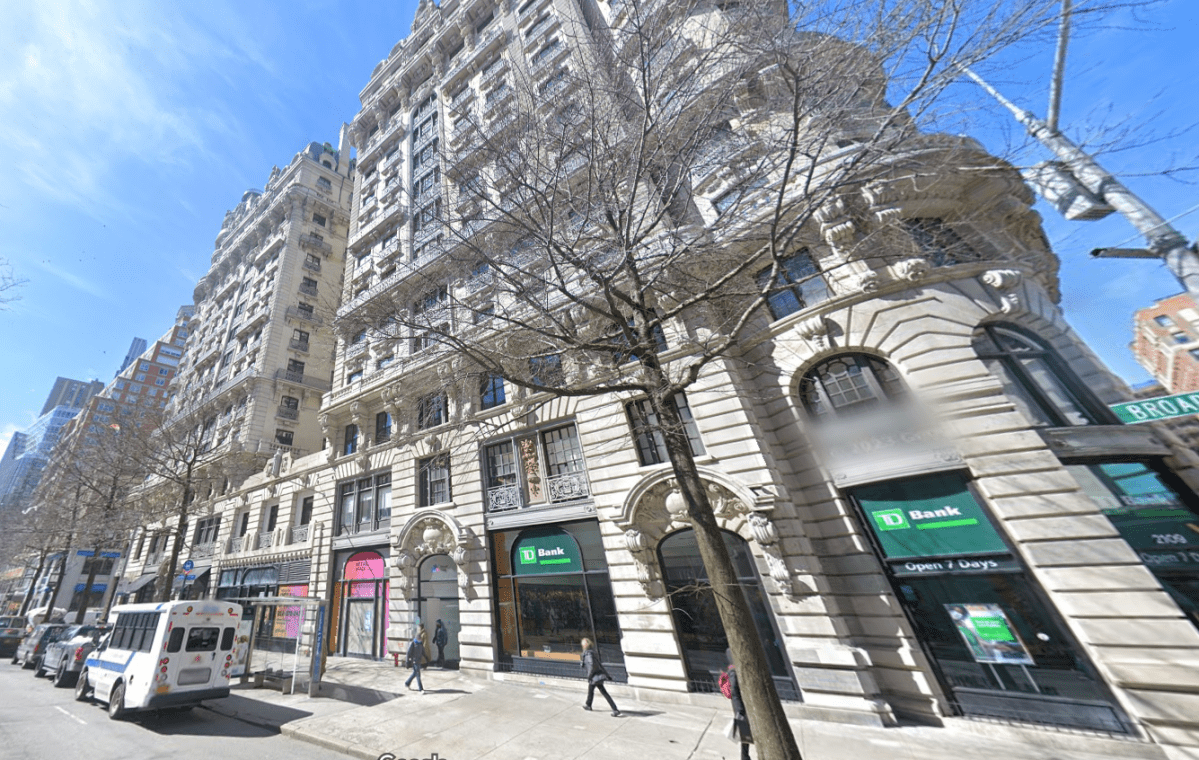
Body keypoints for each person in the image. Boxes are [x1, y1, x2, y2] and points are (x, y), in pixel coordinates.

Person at [724, 649, 752, 760]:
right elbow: (734, 691)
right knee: (745, 732)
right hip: (741, 707)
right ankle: (744, 756)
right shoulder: (734, 672)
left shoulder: (732, 669)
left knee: (745, 732)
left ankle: (745, 756)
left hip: (741, 706)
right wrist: (740, 709)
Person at [580, 638, 620, 717]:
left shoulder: (588, 654)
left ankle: (615, 709)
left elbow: (592, 665)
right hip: (596, 676)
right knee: (591, 691)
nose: (583, 645)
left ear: (587, 644)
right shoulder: (591, 652)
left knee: (602, 692)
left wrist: (590, 675)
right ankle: (588, 704)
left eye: (584, 643)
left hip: (594, 676)